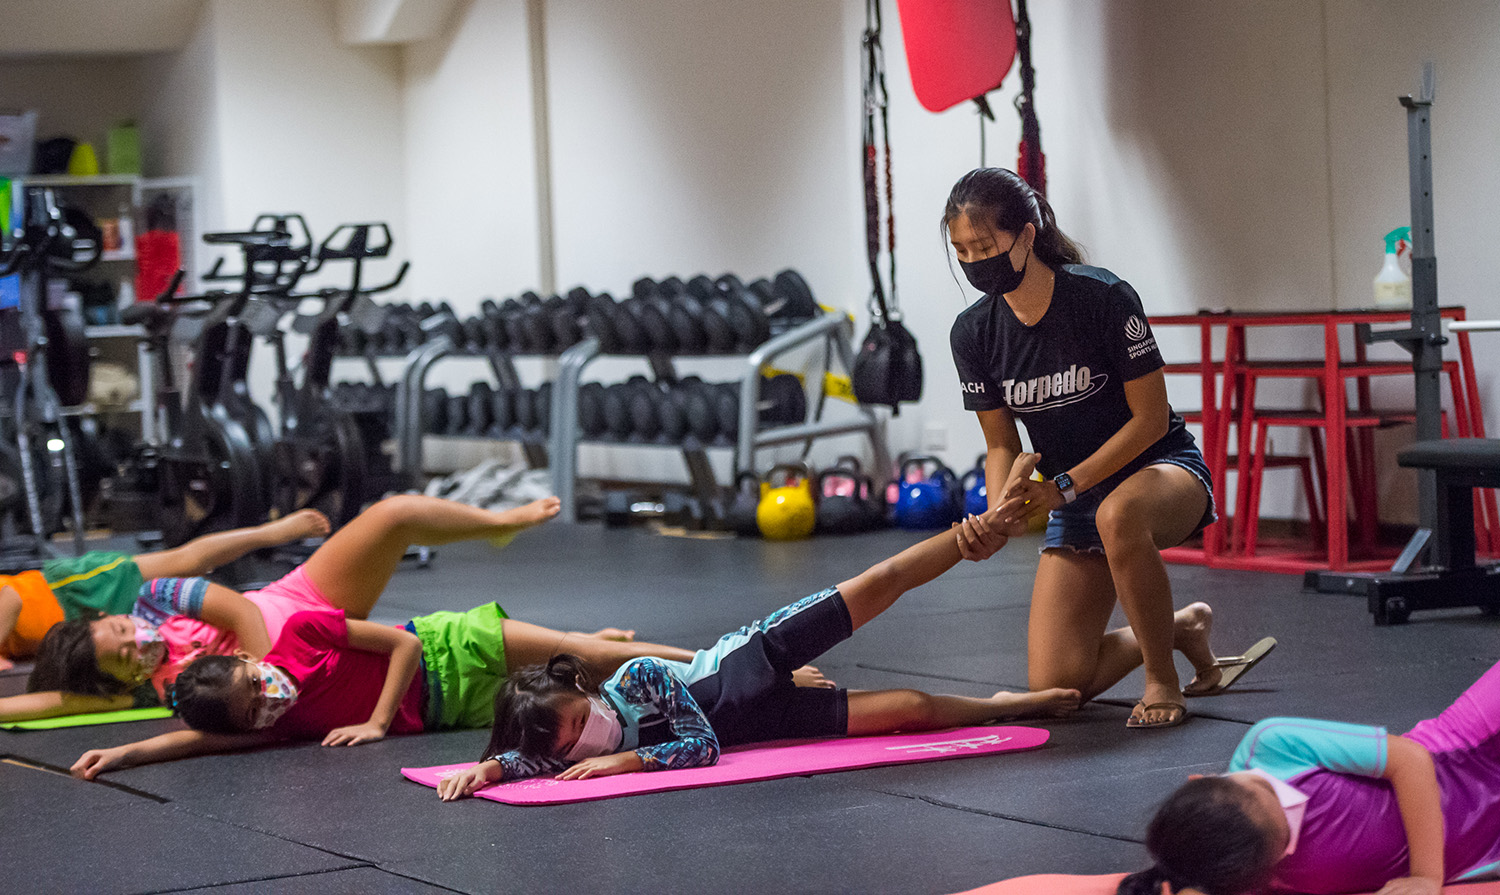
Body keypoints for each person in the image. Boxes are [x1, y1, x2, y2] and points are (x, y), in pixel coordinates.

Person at [434, 517, 1084, 800]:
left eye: (579, 720)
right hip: (763, 719)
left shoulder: (638, 678)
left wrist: (626, 757)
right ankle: (1011, 704)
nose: (581, 740)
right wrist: (487, 769)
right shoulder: (564, 745)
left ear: (583, 691)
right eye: (570, 739)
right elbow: (533, 759)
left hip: (752, 658)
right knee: (911, 708)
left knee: (877, 584)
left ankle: (969, 535)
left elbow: (700, 742)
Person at [942, 167, 1269, 729]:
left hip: (1161, 471)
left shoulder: (1102, 297)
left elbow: (1148, 421)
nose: (974, 262)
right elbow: (1001, 444)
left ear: (1025, 235)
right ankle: (1178, 627)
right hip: (1073, 497)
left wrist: (1064, 487)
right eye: (962, 251)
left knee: (1120, 515)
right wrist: (999, 515)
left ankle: (1163, 678)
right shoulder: (972, 333)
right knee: (1056, 688)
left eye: (985, 246)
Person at [12, 495, 617, 725]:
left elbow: (239, 613)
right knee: (495, 673)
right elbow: (46, 702)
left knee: (393, 515)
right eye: (125, 653)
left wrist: (272, 669)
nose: (135, 639)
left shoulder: (156, 601)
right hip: (315, 658)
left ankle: (498, 524)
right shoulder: (146, 692)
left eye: (121, 628)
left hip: (300, 604)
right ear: (116, 680)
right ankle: (576, 642)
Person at [1117, 658, 1500, 895]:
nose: (1250, 776)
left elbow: (1411, 759)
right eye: (1284, 829)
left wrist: (1426, 878)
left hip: (1465, 750)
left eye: (1249, 782)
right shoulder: (1251, 873)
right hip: (1482, 844)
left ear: (1200, 779)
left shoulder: (1271, 747)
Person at [0, 509, 330, 674]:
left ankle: (267, 533)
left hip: (75, 594)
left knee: (184, 561)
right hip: (87, 641)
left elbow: (10, 600)